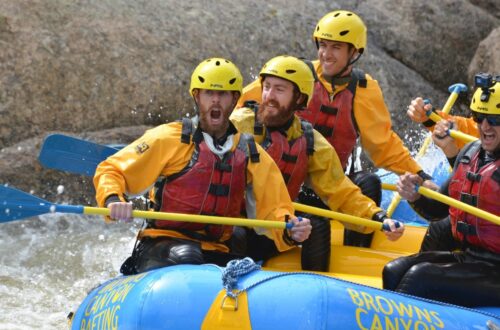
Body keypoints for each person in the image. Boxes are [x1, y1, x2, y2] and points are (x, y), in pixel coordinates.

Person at [93, 58, 312, 275]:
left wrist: (292, 228)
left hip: (217, 249)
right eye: (209, 93)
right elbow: (112, 170)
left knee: (243, 263)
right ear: (197, 96)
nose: (215, 101)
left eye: (223, 94)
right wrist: (113, 199)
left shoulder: (250, 152)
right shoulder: (170, 138)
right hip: (162, 243)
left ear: (235, 98)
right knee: (187, 256)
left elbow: (275, 207)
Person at [237, 10, 430, 248]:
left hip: (326, 183)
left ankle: (356, 251)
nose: (326, 54)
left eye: (336, 47)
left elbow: (382, 145)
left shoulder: (363, 89)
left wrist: (421, 176)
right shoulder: (291, 77)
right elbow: (242, 112)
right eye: (323, 45)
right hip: (278, 186)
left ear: (354, 52)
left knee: (369, 182)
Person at [231, 55, 405, 271]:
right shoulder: (240, 124)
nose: (269, 96)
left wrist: (378, 217)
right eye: (266, 87)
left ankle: (317, 293)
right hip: (235, 224)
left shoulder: (309, 139)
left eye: (279, 90)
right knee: (235, 233)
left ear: (299, 99)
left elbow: (339, 189)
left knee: (317, 226)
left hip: (275, 228)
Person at [382, 79, 500, 307]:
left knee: (420, 278)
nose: (484, 127)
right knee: (394, 270)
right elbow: (438, 209)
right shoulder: (470, 152)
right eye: (478, 117)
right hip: (472, 257)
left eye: (495, 120)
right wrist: (415, 195)